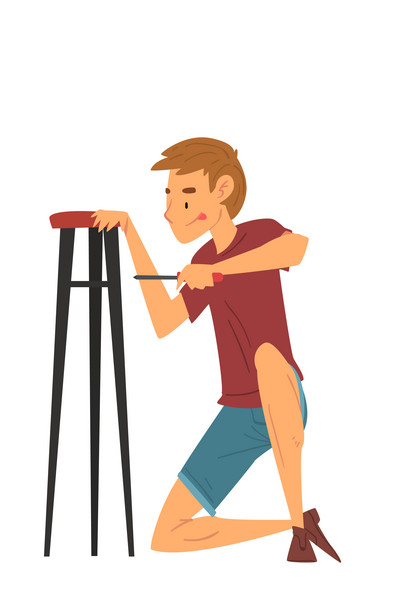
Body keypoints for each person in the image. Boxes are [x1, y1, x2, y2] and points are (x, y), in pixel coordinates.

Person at [91, 138, 339, 562]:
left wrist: (218, 271)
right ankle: (295, 524)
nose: (172, 209)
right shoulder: (201, 258)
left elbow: (296, 249)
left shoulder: (258, 233)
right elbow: (164, 321)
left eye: (186, 196)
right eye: (169, 196)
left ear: (221, 190)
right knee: (166, 535)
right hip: (239, 416)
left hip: (281, 392)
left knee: (266, 358)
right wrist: (130, 232)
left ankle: (295, 515)